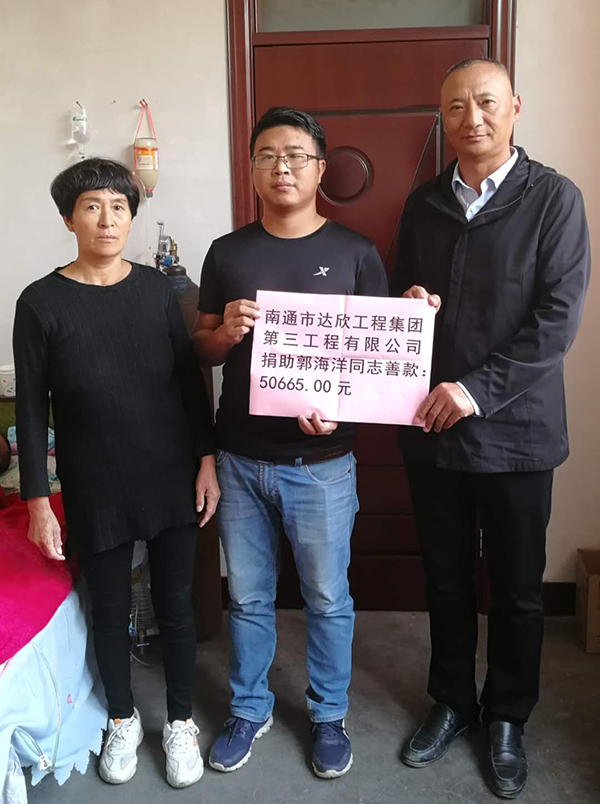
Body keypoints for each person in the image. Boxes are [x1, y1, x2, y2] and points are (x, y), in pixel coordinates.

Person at [391, 58, 590, 799]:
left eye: (484, 102)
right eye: (454, 107)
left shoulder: (555, 199)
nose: (470, 118)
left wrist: (474, 391)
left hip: (518, 435)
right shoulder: (422, 204)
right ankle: (451, 702)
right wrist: (409, 303)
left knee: (516, 589)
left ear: (514, 107)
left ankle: (507, 716)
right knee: (444, 580)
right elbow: (398, 298)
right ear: (441, 117)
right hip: (431, 431)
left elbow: (556, 321)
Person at [192, 107, 387, 779]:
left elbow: (376, 366)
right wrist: (226, 332)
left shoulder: (357, 253)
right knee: (248, 597)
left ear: (320, 169)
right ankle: (250, 708)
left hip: (322, 465)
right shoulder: (228, 252)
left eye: (296, 155)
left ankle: (329, 714)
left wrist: (340, 415)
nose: (282, 167)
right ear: (252, 170)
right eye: (267, 155)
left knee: (327, 598)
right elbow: (201, 347)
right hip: (240, 460)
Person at [13, 158, 219, 789]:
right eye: (93, 207)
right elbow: (30, 407)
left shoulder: (157, 291)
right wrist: (38, 501)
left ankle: (180, 722)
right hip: (94, 480)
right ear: (68, 219)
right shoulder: (40, 302)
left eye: (119, 207)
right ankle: (122, 718)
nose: (107, 219)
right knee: (108, 610)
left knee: (176, 605)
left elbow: (189, 382)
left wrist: (206, 459)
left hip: (170, 472)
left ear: (132, 217)